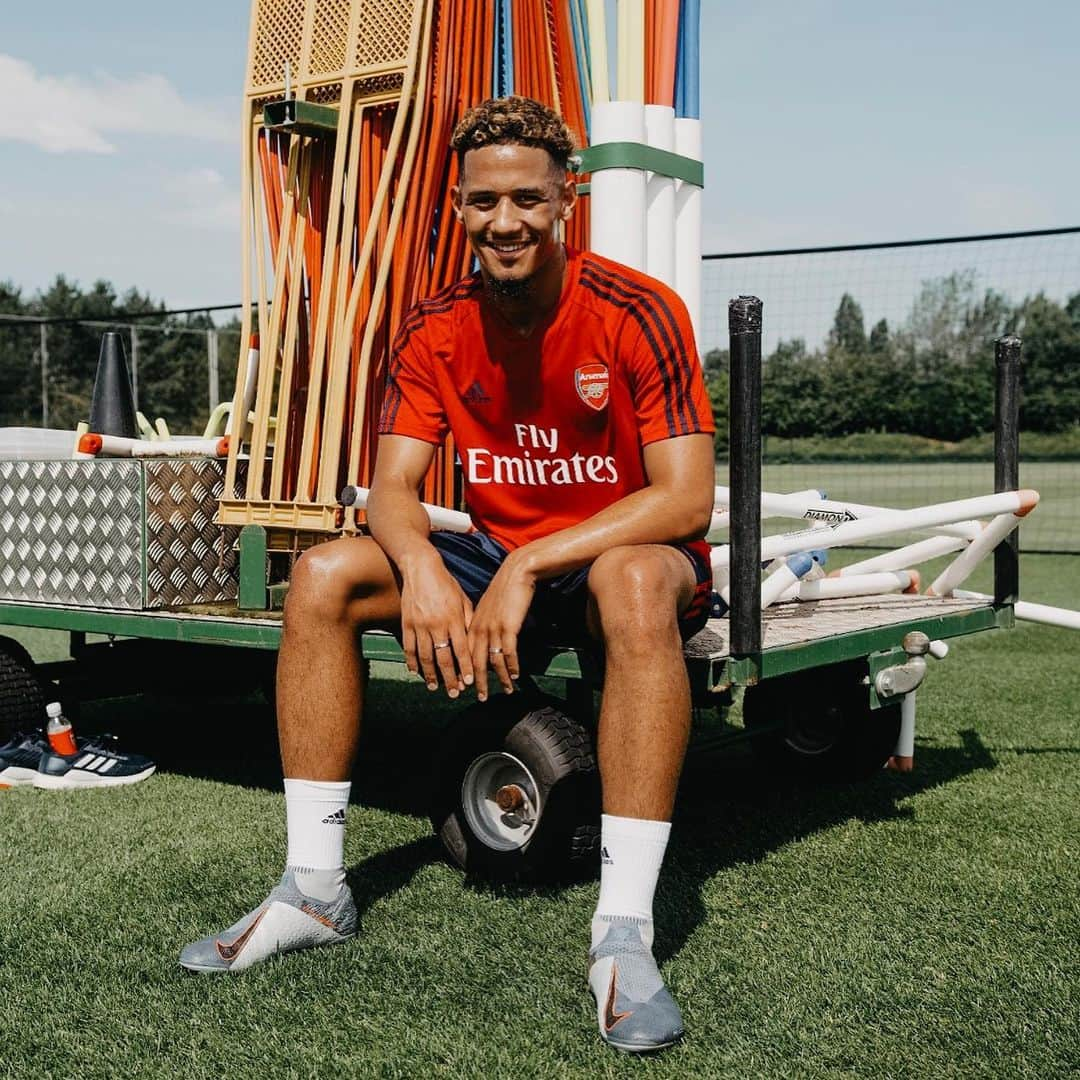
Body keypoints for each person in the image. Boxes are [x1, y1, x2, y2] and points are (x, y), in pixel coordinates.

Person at [180, 95, 715, 1054]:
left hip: (611, 560)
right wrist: (423, 562)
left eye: (525, 199)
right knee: (326, 576)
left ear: (567, 198)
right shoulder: (432, 327)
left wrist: (531, 565)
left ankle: (623, 932)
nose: (503, 222)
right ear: (457, 207)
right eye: (481, 203)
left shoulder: (640, 311)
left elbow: (684, 500)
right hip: (495, 554)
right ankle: (314, 890)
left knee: (633, 582)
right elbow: (391, 488)